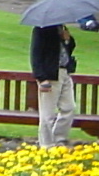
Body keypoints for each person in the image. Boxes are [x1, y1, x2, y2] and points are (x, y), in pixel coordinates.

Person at [29, 19, 78, 148]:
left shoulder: (61, 27)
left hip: (64, 72)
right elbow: (36, 54)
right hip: (50, 75)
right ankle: (46, 144)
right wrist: (41, 78)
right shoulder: (41, 29)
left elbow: (68, 49)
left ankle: (59, 138)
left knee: (69, 107)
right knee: (47, 113)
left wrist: (67, 39)